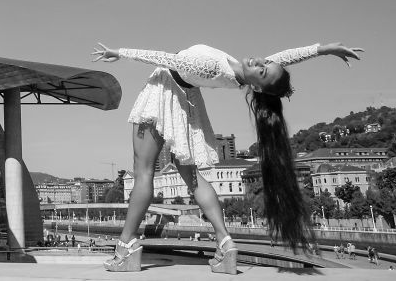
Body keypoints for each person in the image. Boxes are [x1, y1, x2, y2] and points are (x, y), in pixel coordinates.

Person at [92, 41, 362, 274]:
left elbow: (165, 59)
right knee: (192, 178)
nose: (260, 61)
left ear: (257, 87)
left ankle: (126, 247)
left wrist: (120, 52)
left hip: (164, 92)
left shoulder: (210, 68)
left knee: (143, 172)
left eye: (262, 70)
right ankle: (225, 243)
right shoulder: (243, 73)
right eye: (265, 63)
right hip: (185, 100)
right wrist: (324, 49)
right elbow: (285, 58)